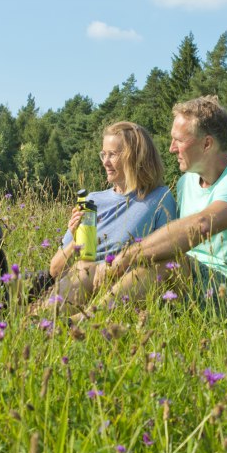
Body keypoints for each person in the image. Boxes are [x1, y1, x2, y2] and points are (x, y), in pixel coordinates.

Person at [90, 96, 227, 320]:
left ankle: (88, 321)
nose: (171, 148)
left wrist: (126, 257)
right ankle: (56, 316)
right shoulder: (186, 182)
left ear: (207, 144)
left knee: (171, 262)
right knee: (89, 269)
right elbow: (173, 239)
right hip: (195, 289)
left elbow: (200, 225)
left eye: (178, 140)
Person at [35, 121, 177, 312]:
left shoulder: (159, 198)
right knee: (82, 270)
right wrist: (75, 239)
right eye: (103, 154)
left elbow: (167, 260)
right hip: (81, 280)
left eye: (112, 155)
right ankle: (42, 321)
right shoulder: (92, 200)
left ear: (135, 156)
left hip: (125, 288)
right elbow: (55, 270)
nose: (105, 162)